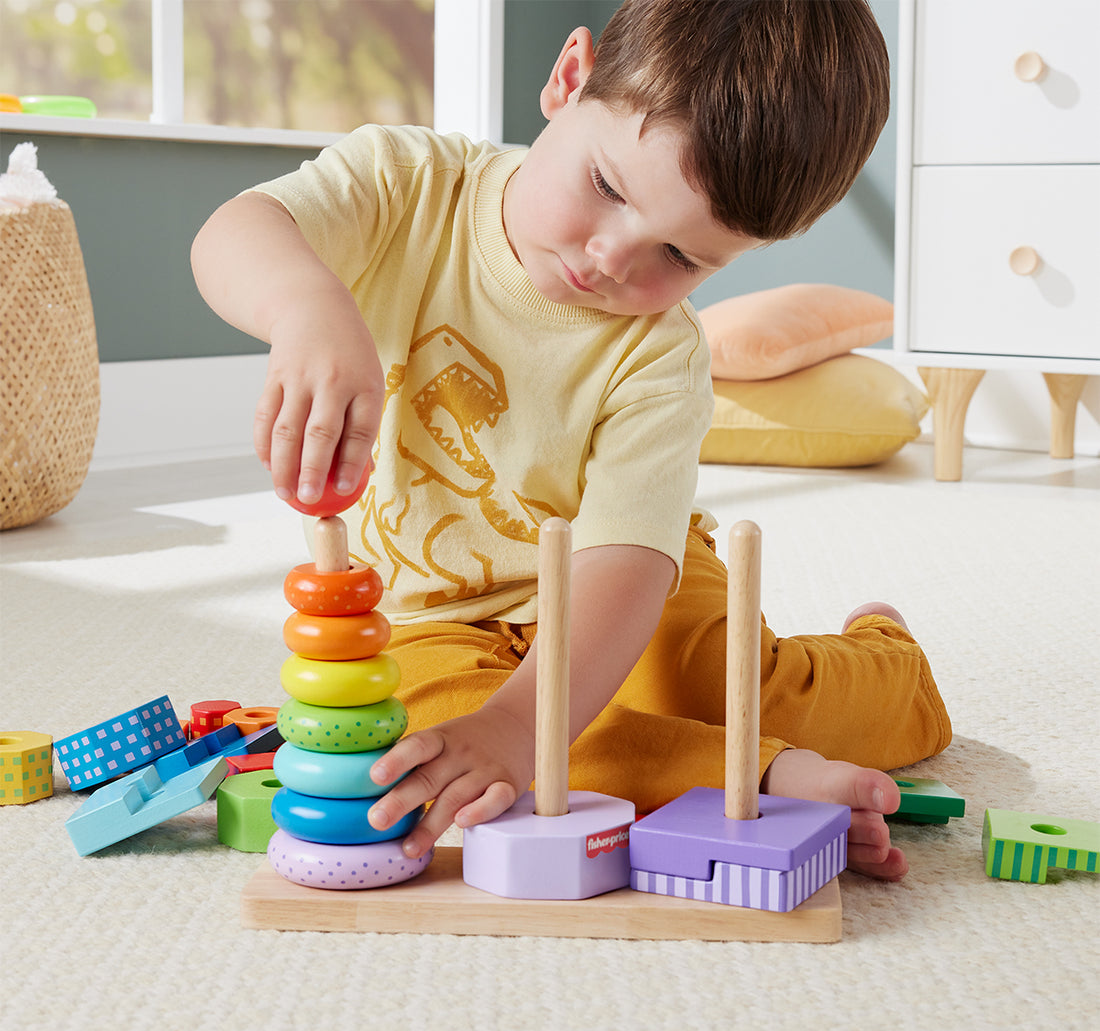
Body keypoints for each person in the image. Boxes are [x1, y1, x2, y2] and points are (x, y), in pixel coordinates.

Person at [192, 0, 951, 882]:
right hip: (437, 611)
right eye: (609, 187)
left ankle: (886, 664)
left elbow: (624, 563)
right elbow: (236, 232)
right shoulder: (404, 184)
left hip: (620, 583)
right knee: (435, 748)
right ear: (569, 78)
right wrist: (306, 308)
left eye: (682, 256)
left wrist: (524, 725)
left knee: (723, 689)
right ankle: (765, 774)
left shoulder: (662, 355)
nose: (612, 259)